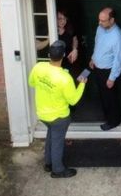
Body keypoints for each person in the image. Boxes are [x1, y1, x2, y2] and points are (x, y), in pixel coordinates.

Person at [30, 38, 87, 178]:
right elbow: (73, 100)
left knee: (51, 136)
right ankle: (58, 170)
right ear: (63, 56)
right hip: (59, 117)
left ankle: (48, 163)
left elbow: (32, 83)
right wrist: (82, 84)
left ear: (49, 55)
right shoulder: (64, 78)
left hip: (43, 114)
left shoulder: (38, 67)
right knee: (57, 142)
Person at [90, 5, 121, 131]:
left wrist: (112, 78)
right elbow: (97, 44)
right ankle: (107, 118)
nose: (99, 22)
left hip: (108, 71)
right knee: (103, 96)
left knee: (110, 98)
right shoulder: (100, 28)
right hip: (98, 68)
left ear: (112, 20)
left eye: (103, 20)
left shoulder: (118, 37)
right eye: (99, 20)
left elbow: (119, 59)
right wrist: (93, 58)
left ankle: (113, 121)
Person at [55, 8, 81, 73]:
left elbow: (75, 40)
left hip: (67, 62)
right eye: (60, 18)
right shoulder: (51, 30)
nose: (63, 21)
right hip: (54, 63)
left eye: (65, 18)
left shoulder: (69, 29)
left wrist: (74, 49)